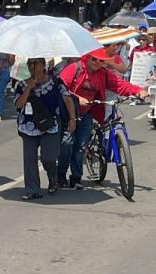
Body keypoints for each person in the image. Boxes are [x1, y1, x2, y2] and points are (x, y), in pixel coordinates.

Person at [57, 50, 146, 189]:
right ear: (86, 58)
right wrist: (77, 98)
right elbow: (60, 86)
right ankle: (60, 175)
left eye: (101, 61)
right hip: (68, 114)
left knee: (81, 147)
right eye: (94, 60)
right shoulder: (74, 68)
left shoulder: (103, 73)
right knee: (66, 144)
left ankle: (76, 177)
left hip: (87, 113)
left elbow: (119, 85)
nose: (98, 63)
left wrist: (137, 90)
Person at [15, 58, 76, 200]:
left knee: (48, 158)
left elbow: (67, 99)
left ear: (43, 65)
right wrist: (29, 88)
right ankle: (32, 190)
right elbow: (18, 105)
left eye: (35, 63)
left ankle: (53, 177)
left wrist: (72, 119)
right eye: (29, 64)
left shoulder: (55, 82)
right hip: (28, 126)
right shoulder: (21, 84)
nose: (32, 67)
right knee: (29, 159)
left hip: (50, 126)